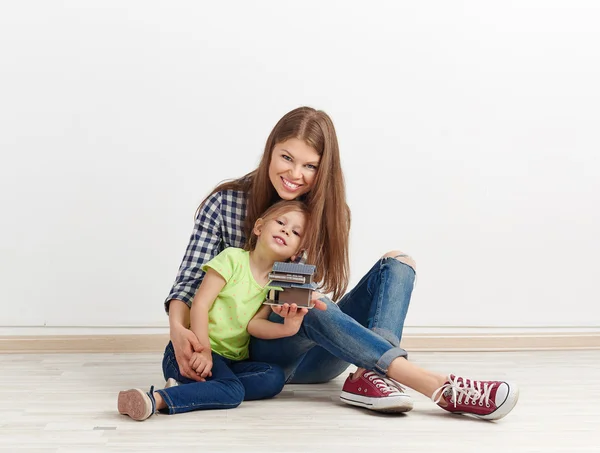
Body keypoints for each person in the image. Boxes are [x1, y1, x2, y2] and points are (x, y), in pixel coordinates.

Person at [164, 106, 519, 420]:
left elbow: (303, 303)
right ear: (270, 151)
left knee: (395, 264)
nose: (295, 173)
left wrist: (299, 306)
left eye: (310, 166)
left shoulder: (328, 217)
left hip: (315, 354)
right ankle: (436, 386)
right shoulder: (226, 204)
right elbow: (187, 286)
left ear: (323, 169)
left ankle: (373, 375)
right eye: (286, 157)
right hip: (259, 350)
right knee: (316, 306)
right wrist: (178, 330)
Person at [118, 201, 312, 421]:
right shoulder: (232, 259)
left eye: (295, 232)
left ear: (297, 252)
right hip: (193, 351)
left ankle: (188, 388)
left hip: (231, 361)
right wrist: (204, 351)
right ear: (259, 227)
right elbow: (200, 304)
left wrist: (287, 328)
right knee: (234, 392)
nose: (286, 230)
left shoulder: (276, 284)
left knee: (275, 378)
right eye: (280, 222)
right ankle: (156, 399)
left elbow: (254, 325)